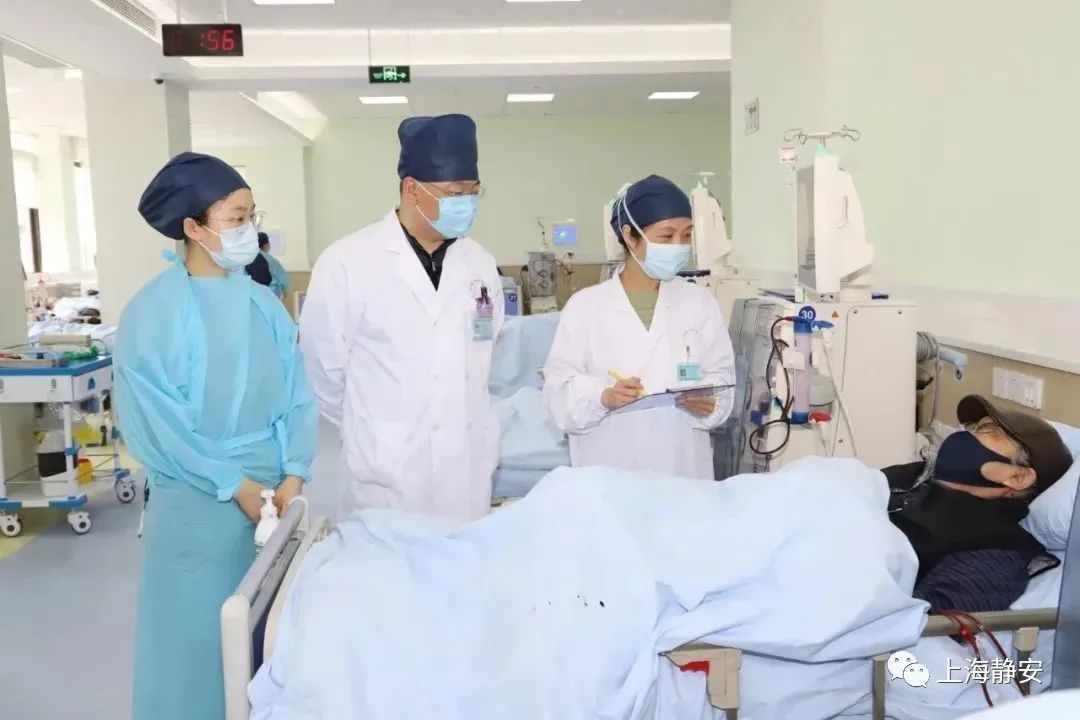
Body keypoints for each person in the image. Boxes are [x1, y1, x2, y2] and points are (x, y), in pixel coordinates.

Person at [114, 152, 318, 720]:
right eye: (236, 218)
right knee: (192, 652)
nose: (249, 229)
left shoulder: (262, 305)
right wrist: (235, 484)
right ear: (193, 228)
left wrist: (294, 470)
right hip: (195, 510)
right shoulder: (153, 313)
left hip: (273, 500)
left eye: (253, 216)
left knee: (263, 642)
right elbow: (161, 427)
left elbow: (297, 393)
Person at [300, 114, 503, 521]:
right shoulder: (347, 262)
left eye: (473, 191)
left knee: (462, 558)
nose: (466, 203)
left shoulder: (480, 264)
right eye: (454, 193)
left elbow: (484, 358)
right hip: (387, 475)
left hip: (466, 469)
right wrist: (379, 428)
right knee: (388, 559)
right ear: (412, 189)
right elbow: (323, 376)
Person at [542, 175, 736, 479]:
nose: (678, 246)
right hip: (610, 476)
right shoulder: (585, 308)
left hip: (682, 473)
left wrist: (711, 403)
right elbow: (558, 394)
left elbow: (723, 379)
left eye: (686, 235)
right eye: (666, 236)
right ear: (630, 236)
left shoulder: (699, 303)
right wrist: (602, 396)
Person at [887, 395, 1072, 613]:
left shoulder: (994, 552)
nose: (966, 435)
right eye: (972, 427)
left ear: (1018, 477)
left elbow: (921, 621)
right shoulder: (914, 476)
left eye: (989, 431)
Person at [258, 232, 290, 300]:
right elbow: (283, 279)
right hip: (271, 295)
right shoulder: (272, 261)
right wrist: (285, 292)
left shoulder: (248, 260)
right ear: (266, 245)